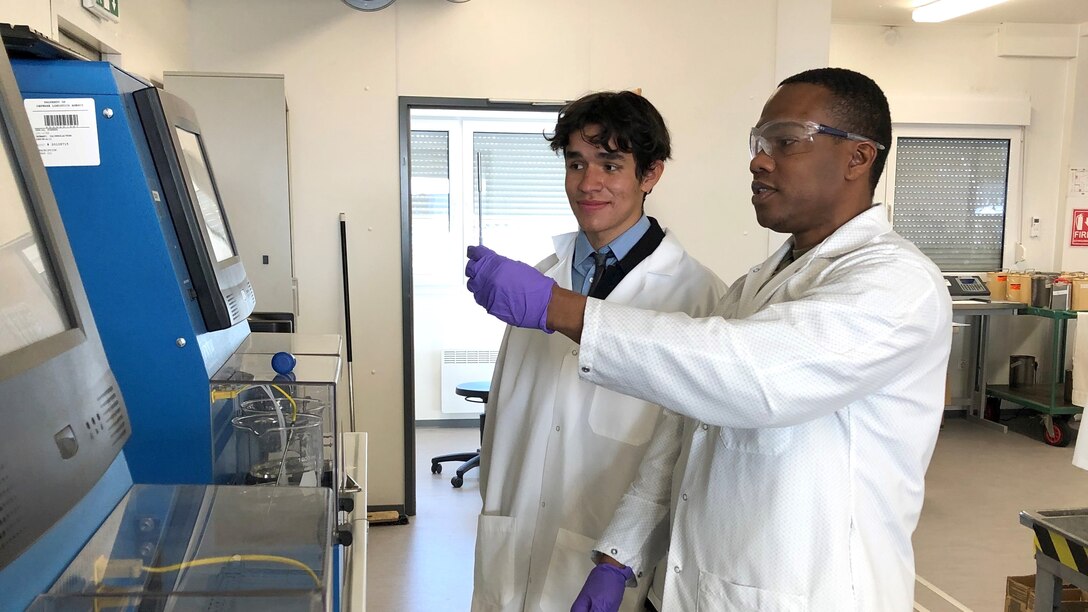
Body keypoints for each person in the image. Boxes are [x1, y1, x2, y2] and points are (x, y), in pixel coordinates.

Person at [465, 68, 952, 611]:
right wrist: (621, 553)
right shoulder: (756, 286)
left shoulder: (897, 283)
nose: (759, 160)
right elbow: (681, 430)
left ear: (858, 158)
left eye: (785, 141)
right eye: (759, 143)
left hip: (812, 592)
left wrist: (562, 309)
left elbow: (753, 375)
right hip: (701, 586)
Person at [470, 91, 726, 612]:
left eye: (610, 164)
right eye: (576, 163)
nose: (588, 184)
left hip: (606, 561)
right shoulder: (541, 278)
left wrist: (624, 560)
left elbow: (682, 456)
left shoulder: (696, 298)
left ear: (650, 174)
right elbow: (503, 421)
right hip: (512, 542)